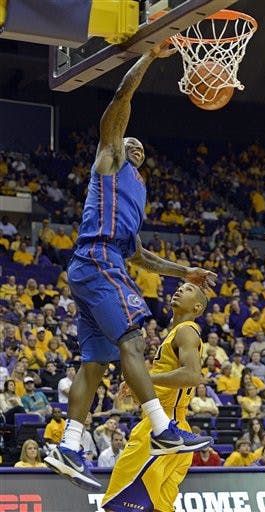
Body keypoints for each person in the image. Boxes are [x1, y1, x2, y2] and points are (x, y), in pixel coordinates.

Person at [45, 42, 216, 490]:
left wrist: (185, 273)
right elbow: (121, 99)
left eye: (140, 147)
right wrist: (148, 58)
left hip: (97, 265)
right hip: (98, 260)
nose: (134, 147)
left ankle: (69, 445)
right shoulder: (109, 157)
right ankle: (162, 429)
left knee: (95, 364)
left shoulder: (134, 195)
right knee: (133, 341)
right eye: (130, 141)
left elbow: (140, 254)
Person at [101, 283, 213, 511]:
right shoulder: (175, 332)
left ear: (198, 307)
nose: (180, 289)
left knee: (120, 504)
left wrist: (143, 378)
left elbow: (192, 376)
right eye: (180, 286)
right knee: (160, 507)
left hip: (162, 428)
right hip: (175, 427)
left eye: (189, 290)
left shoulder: (186, 331)